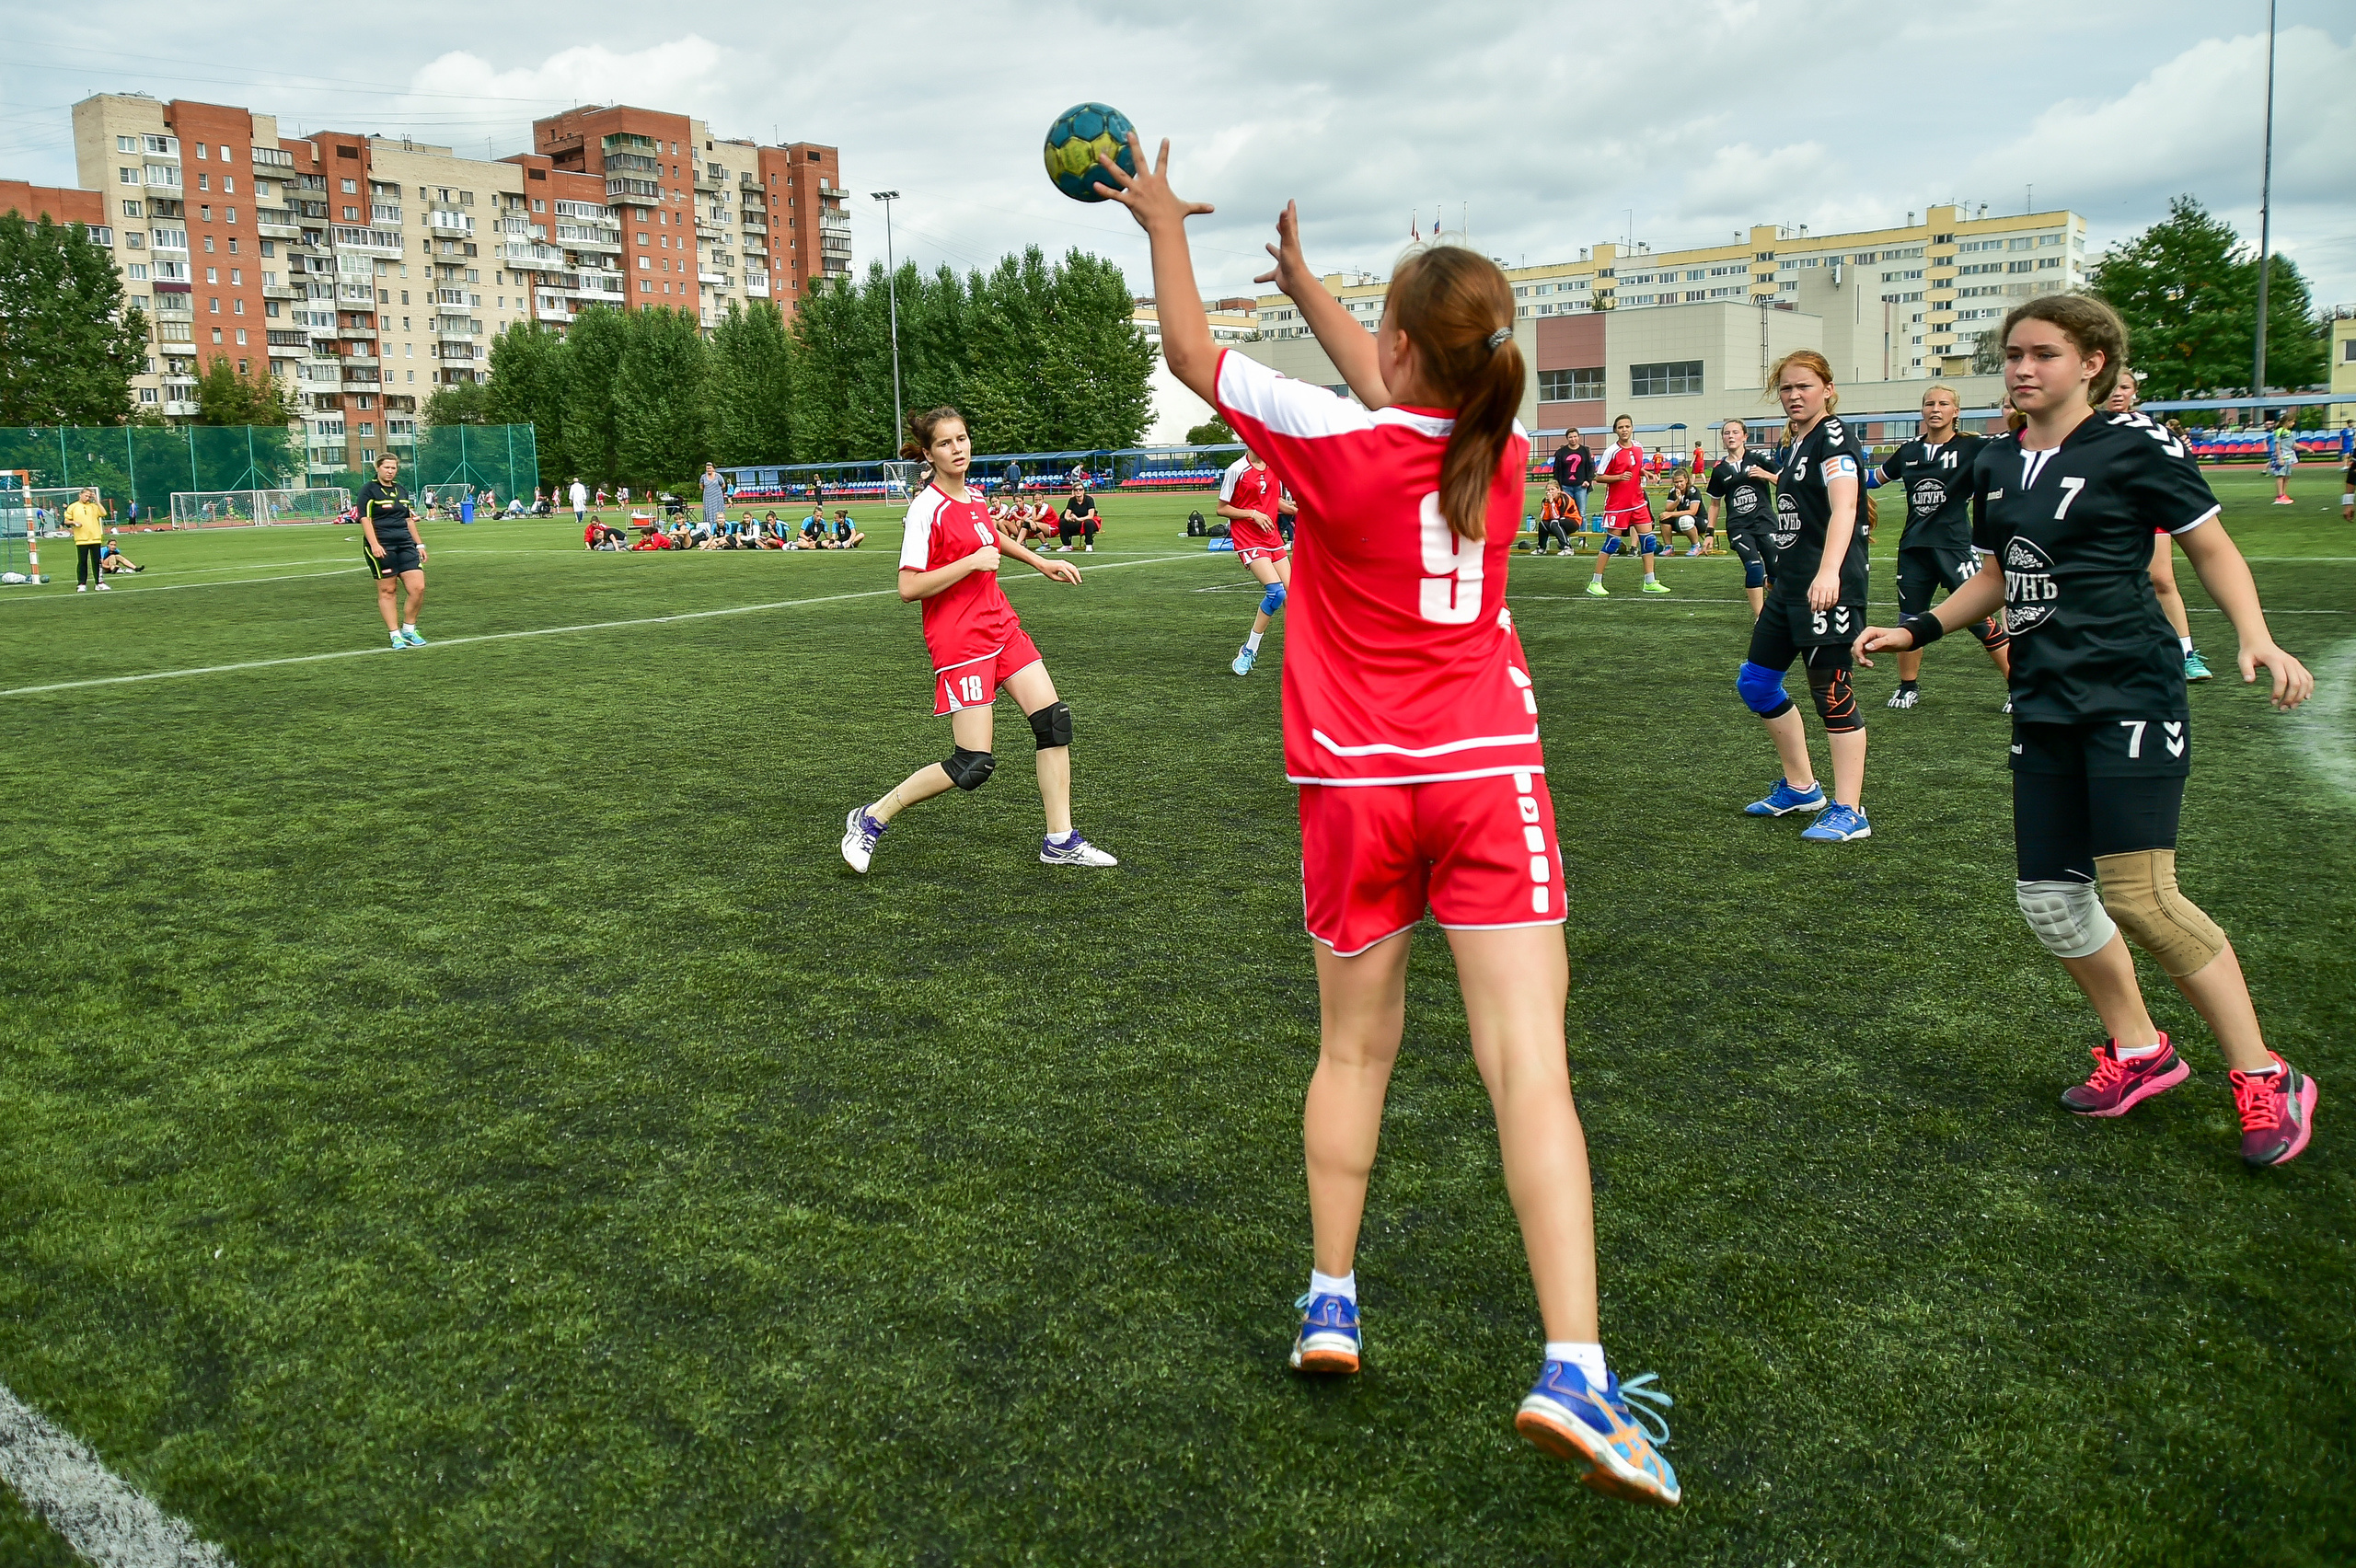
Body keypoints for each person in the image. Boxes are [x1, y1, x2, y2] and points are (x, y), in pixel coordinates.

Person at [1104, 134, 1680, 1506]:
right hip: (1487, 774)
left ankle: (1329, 1299)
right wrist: (1316, 290)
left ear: (1408, 348)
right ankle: (1575, 1369)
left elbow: (1192, 360)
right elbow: (1403, 389)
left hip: (1354, 789)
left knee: (1353, 1052)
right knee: (1526, 1065)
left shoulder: (1336, 443)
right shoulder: (1511, 442)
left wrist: (1164, 229)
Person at [1856, 292, 2317, 1168]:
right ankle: (2141, 1051)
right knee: (2051, 900)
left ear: (2091, 364)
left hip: (2131, 694)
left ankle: (2265, 1074)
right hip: (2045, 700)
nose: (2024, 369)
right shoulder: (1995, 463)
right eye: (2014, 356)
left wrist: (2253, 636)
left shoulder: (2135, 447)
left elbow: (2209, 547)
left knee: (2142, 896)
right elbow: (1999, 572)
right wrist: (1918, 629)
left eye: (2045, 355)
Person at [840, 409, 1116, 874]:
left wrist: (1039, 562)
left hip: (1000, 626)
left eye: (963, 439)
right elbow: (908, 587)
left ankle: (1060, 840)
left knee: (1054, 722)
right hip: (960, 641)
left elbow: (990, 539)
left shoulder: (973, 496)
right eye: (946, 443)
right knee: (973, 765)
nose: (958, 449)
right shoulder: (925, 508)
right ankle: (870, 819)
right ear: (928, 454)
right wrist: (969, 563)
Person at [1736, 351, 1871, 842]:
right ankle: (1801, 787)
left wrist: (1829, 571)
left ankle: (1849, 810)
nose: (1795, 396)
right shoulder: (1796, 442)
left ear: (1828, 390)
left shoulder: (1834, 437)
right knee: (1756, 684)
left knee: (1832, 697)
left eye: (1804, 387)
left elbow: (1846, 506)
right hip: (1790, 586)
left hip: (1826, 588)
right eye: (1788, 389)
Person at [1877, 386, 2011, 709]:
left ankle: (2019, 687)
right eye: (1929, 403)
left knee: (1980, 620)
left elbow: (2013, 453)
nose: (1935, 408)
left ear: (1956, 412)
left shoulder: (1974, 447)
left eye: (1943, 403)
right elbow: (1873, 479)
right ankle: (1908, 687)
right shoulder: (1908, 451)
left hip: (1954, 547)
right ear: (1922, 411)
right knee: (1909, 619)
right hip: (1913, 548)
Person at [2108, 376, 2215, 683]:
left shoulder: (2151, 430)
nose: (2118, 393)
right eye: (2112, 386)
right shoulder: (2084, 427)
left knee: (2163, 580)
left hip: (2148, 510)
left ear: (2135, 393)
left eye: (2125, 387)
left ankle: (2186, 655)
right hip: (2105, 513)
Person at [1218, 444, 1299, 674]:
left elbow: (1273, 501)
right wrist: (1252, 513)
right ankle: (1248, 650)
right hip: (1248, 539)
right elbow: (1222, 508)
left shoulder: (1275, 467)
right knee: (1276, 592)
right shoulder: (1237, 470)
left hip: (1272, 537)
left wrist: (1295, 510)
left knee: (1293, 595)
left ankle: (1297, 652)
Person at [1586, 414, 1669, 596]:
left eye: (1627, 426)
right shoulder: (1611, 451)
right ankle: (1595, 582)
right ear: (1615, 430)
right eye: (1620, 427)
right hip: (1617, 505)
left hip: (1637, 501)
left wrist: (1645, 472)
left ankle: (1650, 581)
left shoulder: (1638, 447)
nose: (1624, 430)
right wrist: (1618, 477)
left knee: (1649, 540)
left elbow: (1635, 466)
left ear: (1632, 428)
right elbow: (1598, 477)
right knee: (1612, 543)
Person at [1706, 420, 1781, 618]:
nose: (1730, 436)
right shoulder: (1720, 470)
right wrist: (1709, 532)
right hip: (1739, 527)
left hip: (1766, 523)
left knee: (1775, 571)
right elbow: (1714, 504)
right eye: (1726, 433)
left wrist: (1766, 475)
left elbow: (1786, 481)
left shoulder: (1759, 458)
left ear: (1745, 437)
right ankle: (1761, 618)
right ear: (1722, 439)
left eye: (1735, 432)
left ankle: (1771, 584)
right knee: (1754, 568)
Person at [357, 455, 427, 648]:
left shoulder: (401, 490)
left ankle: (409, 630)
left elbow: (408, 519)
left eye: (393, 468)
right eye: (386, 467)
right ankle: (395, 634)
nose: (390, 471)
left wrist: (419, 544)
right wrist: (374, 544)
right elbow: (365, 519)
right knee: (388, 590)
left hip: (405, 544)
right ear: (377, 468)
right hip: (382, 545)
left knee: (418, 588)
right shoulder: (368, 490)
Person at [64, 487, 110, 593]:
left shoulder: (93, 506)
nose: (87, 498)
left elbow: (103, 513)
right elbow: (67, 521)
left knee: (97, 562)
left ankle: (99, 583)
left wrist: (97, 501)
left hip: (95, 538)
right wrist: (74, 522)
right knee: (82, 561)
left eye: (89, 496)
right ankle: (81, 583)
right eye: (86, 495)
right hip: (82, 539)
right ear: (80, 495)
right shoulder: (73, 507)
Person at [1657, 468, 1704, 554]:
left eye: (1681, 481)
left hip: (1699, 520)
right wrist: (1678, 500)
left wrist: (1671, 514)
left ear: (1686, 480)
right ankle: (1669, 547)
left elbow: (1692, 511)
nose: (1679, 484)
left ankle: (1696, 545)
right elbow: (1668, 509)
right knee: (1664, 518)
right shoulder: (1673, 491)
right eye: (1676, 482)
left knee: (1685, 520)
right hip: (1683, 518)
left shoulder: (1693, 491)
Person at [1533, 478, 1579, 555]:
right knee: (1543, 524)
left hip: (1573, 521)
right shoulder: (1545, 500)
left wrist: (1552, 503)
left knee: (1554, 522)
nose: (1550, 492)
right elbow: (1544, 517)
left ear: (1558, 490)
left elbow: (1557, 517)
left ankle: (1567, 547)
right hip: (1557, 522)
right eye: (1548, 490)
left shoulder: (1565, 498)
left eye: (1552, 489)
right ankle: (1541, 548)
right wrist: (1548, 504)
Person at [1057, 486, 1101, 552]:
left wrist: (1077, 519)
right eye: (1076, 490)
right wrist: (1069, 519)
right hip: (1076, 523)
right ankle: (1067, 545)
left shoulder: (1089, 499)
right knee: (1062, 521)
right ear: (1073, 491)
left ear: (1083, 491)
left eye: (1080, 489)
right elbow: (1066, 515)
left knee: (1088, 522)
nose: (1078, 491)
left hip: (1088, 523)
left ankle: (1089, 544)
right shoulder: (1072, 500)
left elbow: (1090, 516)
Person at [2268, 412, 2297, 505]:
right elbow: (2277, 445)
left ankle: (2284, 494)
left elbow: (2293, 444)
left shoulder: (2288, 432)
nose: (2293, 424)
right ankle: (2280, 496)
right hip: (2282, 455)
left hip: (2289, 456)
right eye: (2292, 422)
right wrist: (2279, 457)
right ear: (2287, 422)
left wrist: (2306, 448)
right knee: (2280, 475)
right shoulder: (2279, 431)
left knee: (2287, 476)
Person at [703, 462, 727, 531]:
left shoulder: (718, 476)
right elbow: (701, 486)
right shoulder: (703, 477)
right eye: (707, 468)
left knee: (718, 510)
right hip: (708, 497)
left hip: (717, 497)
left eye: (710, 468)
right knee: (708, 511)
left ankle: (720, 526)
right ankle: (709, 527)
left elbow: (723, 485)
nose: (708, 470)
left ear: (713, 468)